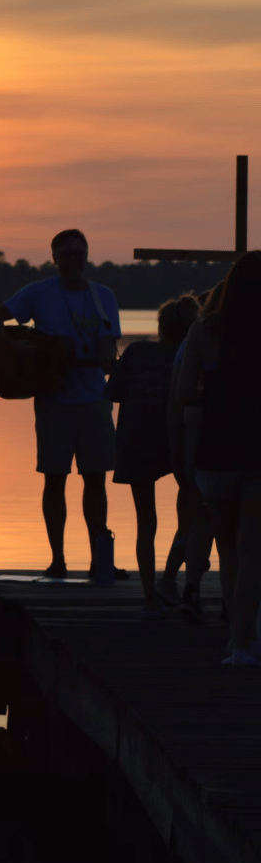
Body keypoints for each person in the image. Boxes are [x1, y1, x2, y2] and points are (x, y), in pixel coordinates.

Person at [0, 229, 125, 579]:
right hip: (53, 400)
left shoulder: (103, 296)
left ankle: (98, 562)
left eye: (79, 252)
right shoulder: (38, 292)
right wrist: (15, 346)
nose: (73, 259)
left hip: (95, 399)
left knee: (96, 480)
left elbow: (109, 343)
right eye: (66, 254)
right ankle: (57, 560)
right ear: (55, 258)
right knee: (54, 479)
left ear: (87, 254)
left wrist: (109, 358)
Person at [173, 252, 261, 665]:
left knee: (228, 551)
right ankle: (246, 642)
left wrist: (214, 395)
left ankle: (235, 642)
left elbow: (183, 393)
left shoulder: (204, 330)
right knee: (252, 552)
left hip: (215, 453)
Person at [105, 294, 199, 618]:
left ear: (160, 326)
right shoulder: (188, 356)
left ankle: (149, 598)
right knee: (192, 511)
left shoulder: (136, 351)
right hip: (176, 440)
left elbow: (113, 392)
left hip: (135, 440)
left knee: (146, 522)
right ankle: (171, 577)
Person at [164, 286, 219, 622]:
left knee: (197, 518)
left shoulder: (194, 342)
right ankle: (182, 583)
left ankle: (183, 585)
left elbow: (177, 400)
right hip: (204, 443)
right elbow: (180, 398)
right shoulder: (199, 344)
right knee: (205, 518)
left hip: (196, 443)